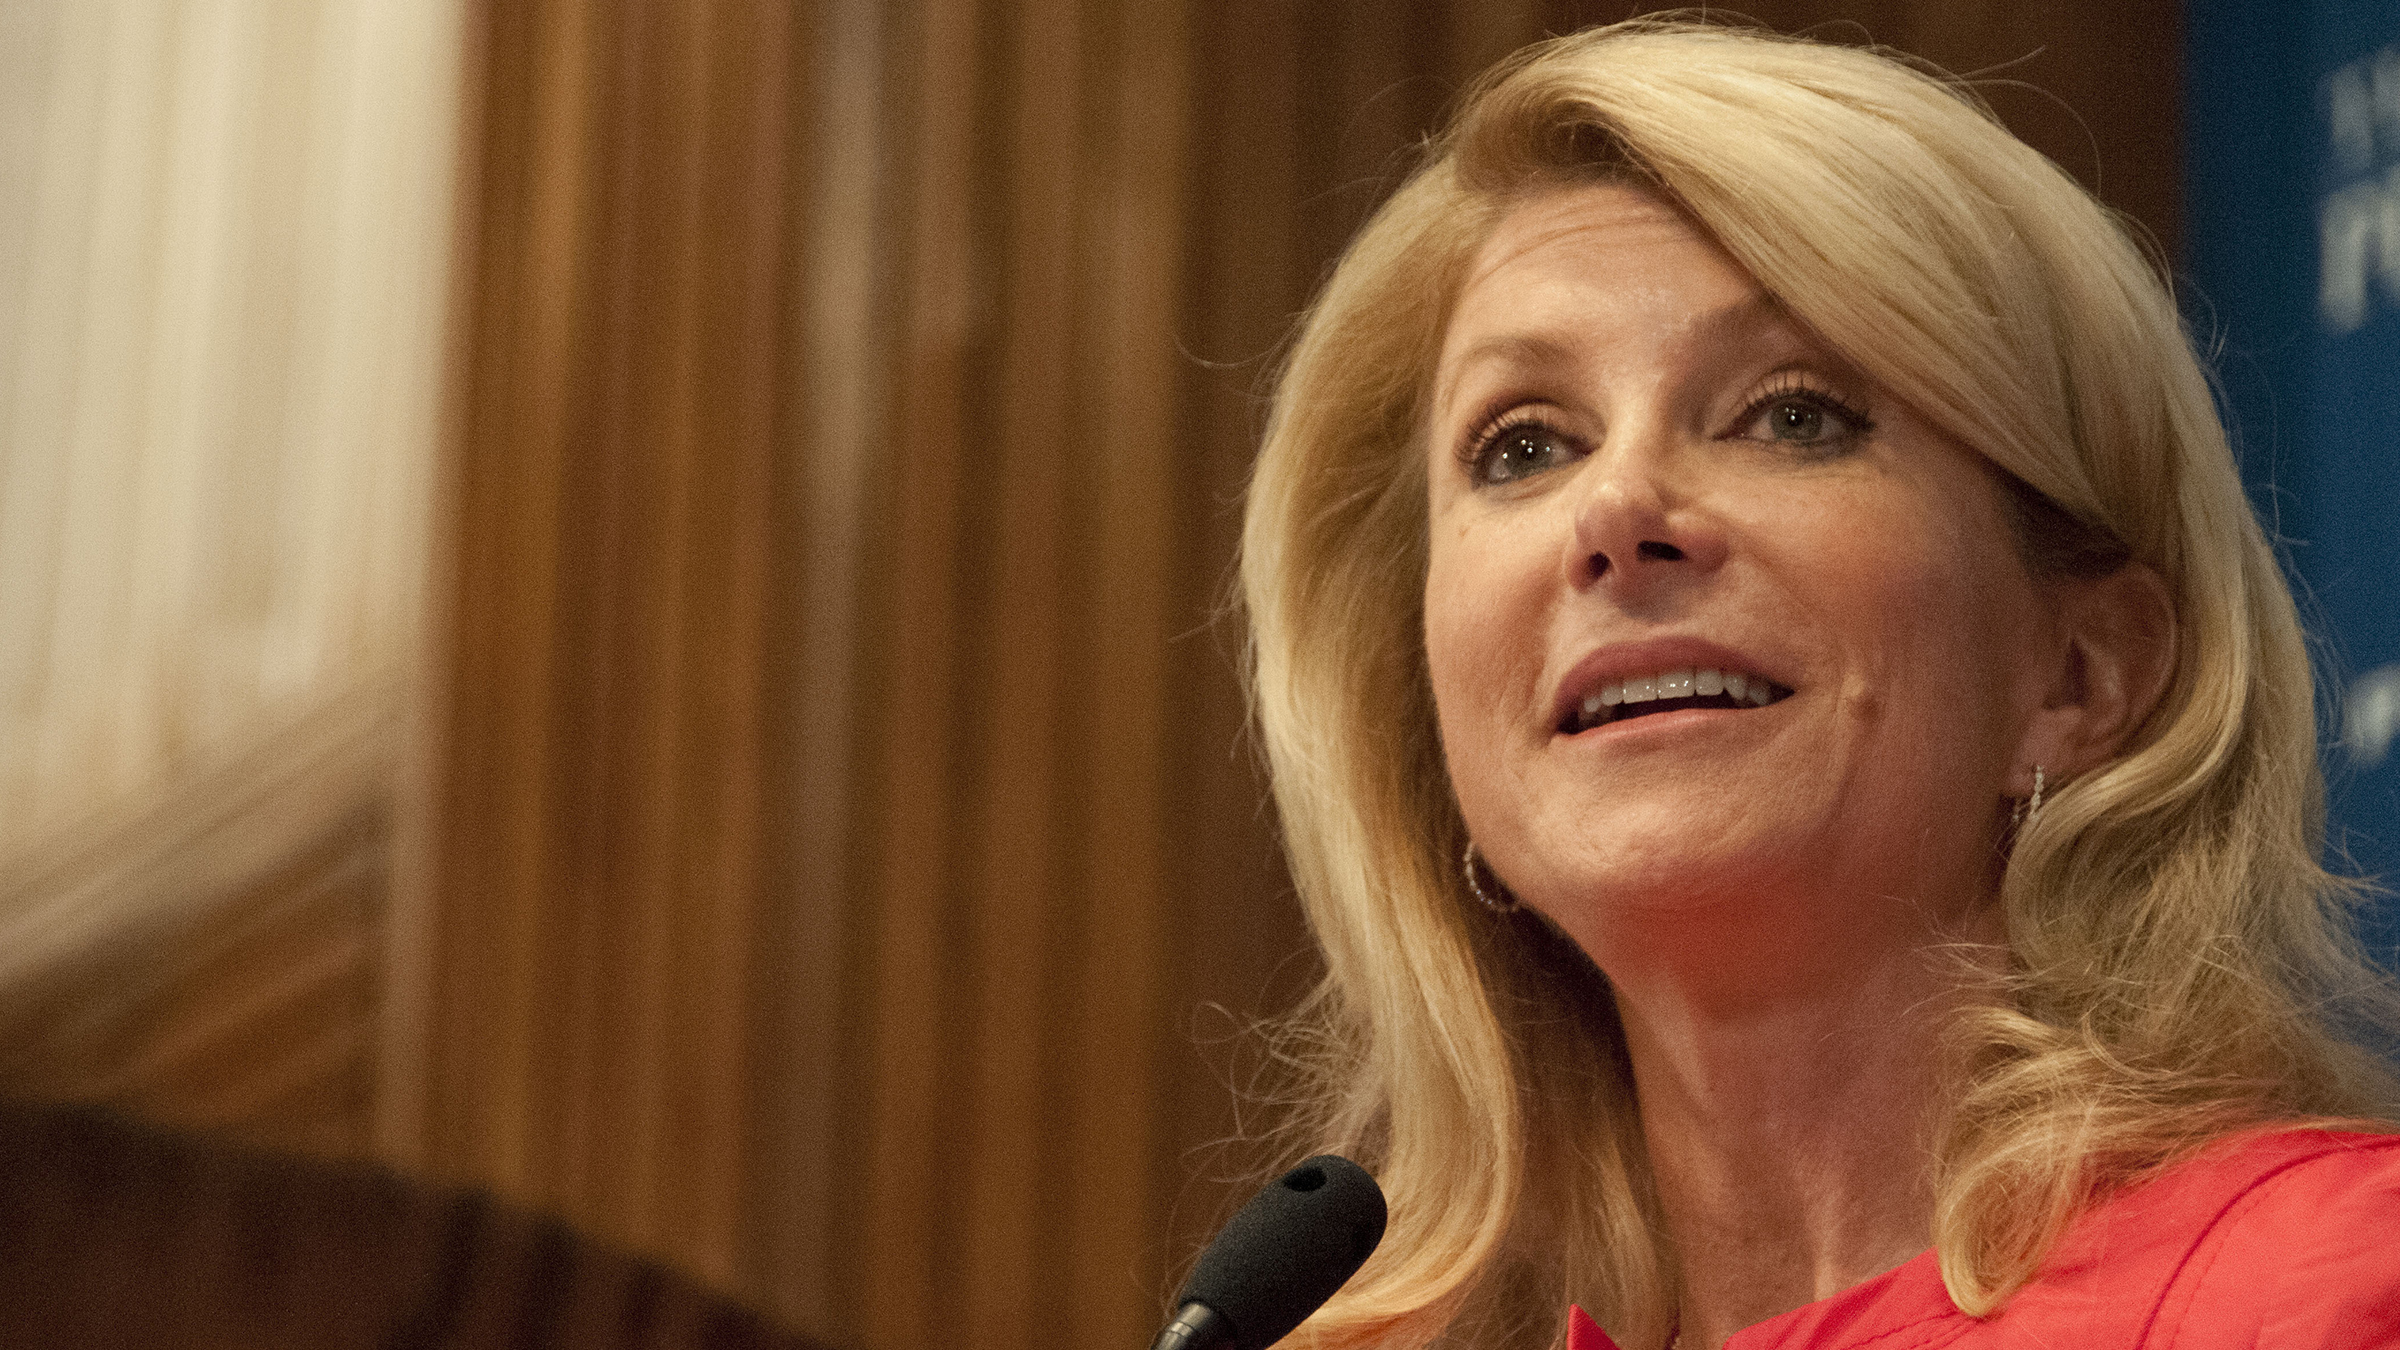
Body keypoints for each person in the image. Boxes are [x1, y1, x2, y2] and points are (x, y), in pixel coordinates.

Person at [1235, 17, 2400, 1350]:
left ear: (2081, 669)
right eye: (1521, 445)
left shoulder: (2334, 1288)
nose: (1614, 507)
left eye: (1793, 414)